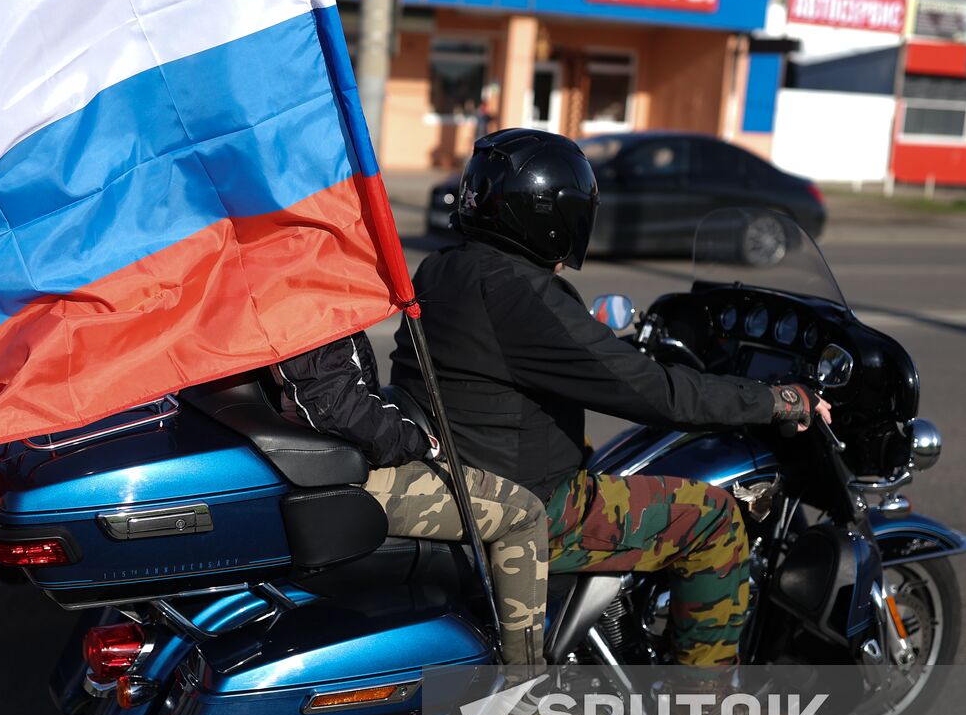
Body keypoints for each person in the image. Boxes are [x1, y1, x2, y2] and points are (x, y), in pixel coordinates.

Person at [389, 128, 831, 671]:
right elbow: (656, 393)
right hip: (530, 497)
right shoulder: (523, 293)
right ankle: (705, 706)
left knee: (602, 450)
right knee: (711, 517)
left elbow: (540, 361)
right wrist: (778, 401)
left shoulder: (446, 266)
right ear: (552, 217)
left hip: (464, 466)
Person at [272, 331, 549, 669]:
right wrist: (420, 442)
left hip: (306, 462)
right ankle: (525, 697)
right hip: (336, 472)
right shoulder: (304, 291)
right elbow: (336, 407)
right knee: (524, 514)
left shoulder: (274, 287)